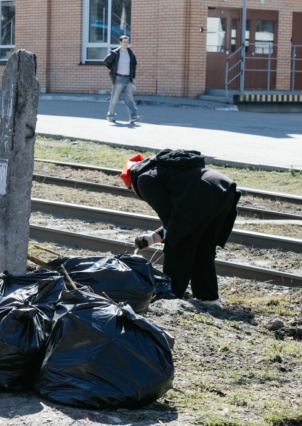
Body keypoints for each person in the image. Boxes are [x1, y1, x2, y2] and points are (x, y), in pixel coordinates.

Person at [124, 149, 241, 307]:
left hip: (202, 196)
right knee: (203, 248)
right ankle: (209, 300)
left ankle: (169, 298)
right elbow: (178, 218)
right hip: (223, 189)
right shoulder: (158, 169)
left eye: (130, 189)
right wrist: (153, 238)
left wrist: (170, 238)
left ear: (130, 182)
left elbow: (169, 216)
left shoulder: (143, 180)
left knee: (177, 247)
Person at [103, 35, 141, 124]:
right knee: (115, 99)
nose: (126, 43)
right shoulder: (115, 53)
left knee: (130, 99)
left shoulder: (131, 53)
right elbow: (106, 61)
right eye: (124, 42)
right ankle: (111, 116)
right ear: (120, 42)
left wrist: (133, 78)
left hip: (128, 79)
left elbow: (133, 65)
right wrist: (113, 69)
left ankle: (133, 117)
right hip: (118, 78)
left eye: (127, 42)